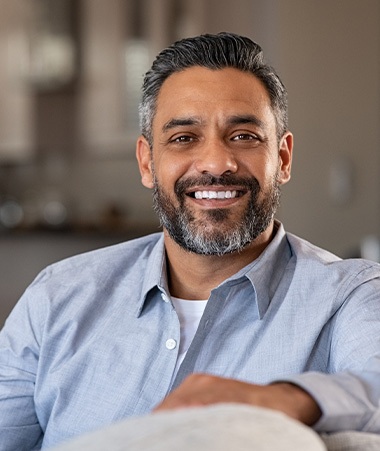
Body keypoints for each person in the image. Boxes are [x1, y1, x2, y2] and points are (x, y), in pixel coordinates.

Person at [0, 32, 379, 450]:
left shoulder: (351, 295)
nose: (217, 163)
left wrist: (282, 398)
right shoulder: (56, 297)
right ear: (147, 161)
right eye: (184, 138)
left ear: (283, 158)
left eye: (244, 136)